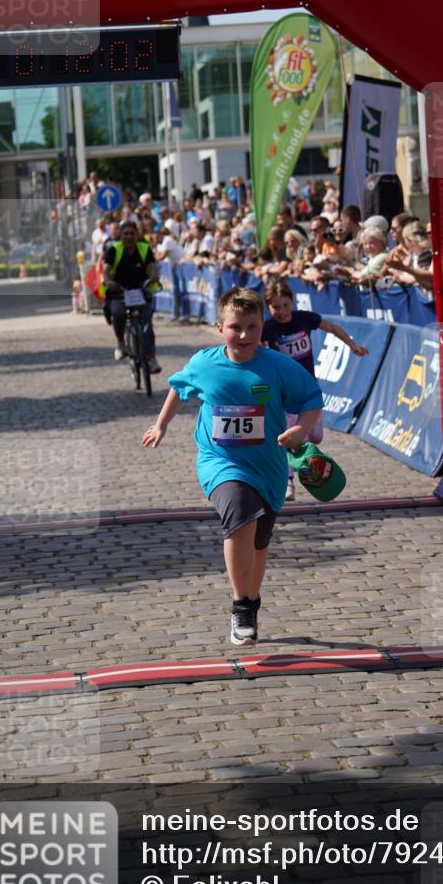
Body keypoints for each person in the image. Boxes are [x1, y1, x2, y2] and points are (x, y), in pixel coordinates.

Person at [142, 287, 323, 645]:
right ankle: (240, 605)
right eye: (235, 327)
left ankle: (252, 601)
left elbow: (311, 398)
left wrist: (302, 428)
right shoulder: (206, 364)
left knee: (259, 539)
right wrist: (161, 424)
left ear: (262, 326)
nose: (244, 335)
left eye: (252, 327)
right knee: (240, 515)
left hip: (269, 465)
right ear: (219, 326)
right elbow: (180, 387)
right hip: (220, 462)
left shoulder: (278, 366)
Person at [262, 279, 369, 500]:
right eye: (275, 307)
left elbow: (332, 327)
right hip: (285, 394)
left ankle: (300, 456)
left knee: (315, 437)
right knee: (290, 438)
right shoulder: (268, 328)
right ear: (268, 308)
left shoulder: (304, 318)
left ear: (292, 302)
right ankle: (288, 483)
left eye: (284, 305)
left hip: (309, 390)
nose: (281, 311)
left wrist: (352, 345)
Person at [102, 220, 161, 372]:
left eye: (132, 234)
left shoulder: (144, 248)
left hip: (140, 291)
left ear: (137, 235)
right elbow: (106, 270)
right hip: (119, 291)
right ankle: (121, 343)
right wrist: (108, 281)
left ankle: (151, 358)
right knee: (118, 313)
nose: (129, 237)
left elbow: (152, 267)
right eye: (125, 234)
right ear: (120, 235)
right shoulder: (113, 249)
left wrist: (153, 278)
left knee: (147, 321)